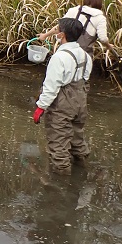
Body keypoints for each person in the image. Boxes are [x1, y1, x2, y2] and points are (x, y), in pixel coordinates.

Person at [33, 17, 92, 175]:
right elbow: (85, 78)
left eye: (57, 30)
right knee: (77, 141)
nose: (55, 32)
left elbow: (51, 87)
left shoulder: (59, 58)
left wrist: (40, 107)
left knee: (58, 146)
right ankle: (83, 173)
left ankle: (62, 188)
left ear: (61, 35)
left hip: (63, 104)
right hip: (81, 101)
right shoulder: (86, 56)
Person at [38, 0, 114, 53]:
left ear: (86, 0)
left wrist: (45, 35)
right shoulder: (100, 18)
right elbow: (103, 39)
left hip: (65, 52)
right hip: (83, 56)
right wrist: (108, 46)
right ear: (99, 3)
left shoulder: (73, 10)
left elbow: (59, 27)